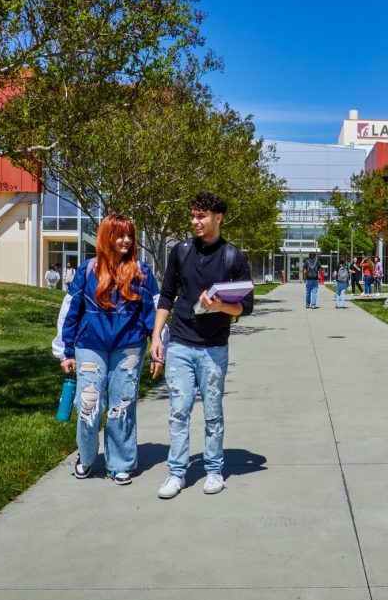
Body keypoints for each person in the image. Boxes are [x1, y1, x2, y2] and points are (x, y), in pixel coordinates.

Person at [150, 192, 254, 499]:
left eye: (202, 217)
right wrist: (157, 336)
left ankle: (213, 470)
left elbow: (245, 307)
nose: (195, 222)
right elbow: (166, 295)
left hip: (213, 347)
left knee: (212, 412)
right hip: (181, 344)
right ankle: (177, 473)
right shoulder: (181, 251)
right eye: (193, 216)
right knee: (178, 412)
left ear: (218, 217)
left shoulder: (233, 257)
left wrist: (221, 304)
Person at [53, 214, 161, 485]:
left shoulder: (142, 272)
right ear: (106, 237)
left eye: (129, 235)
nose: (126, 240)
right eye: (119, 234)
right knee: (89, 406)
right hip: (90, 348)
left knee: (121, 407)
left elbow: (154, 313)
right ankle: (86, 458)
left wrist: (159, 348)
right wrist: (65, 351)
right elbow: (70, 312)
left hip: (129, 349)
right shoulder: (87, 271)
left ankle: (121, 463)